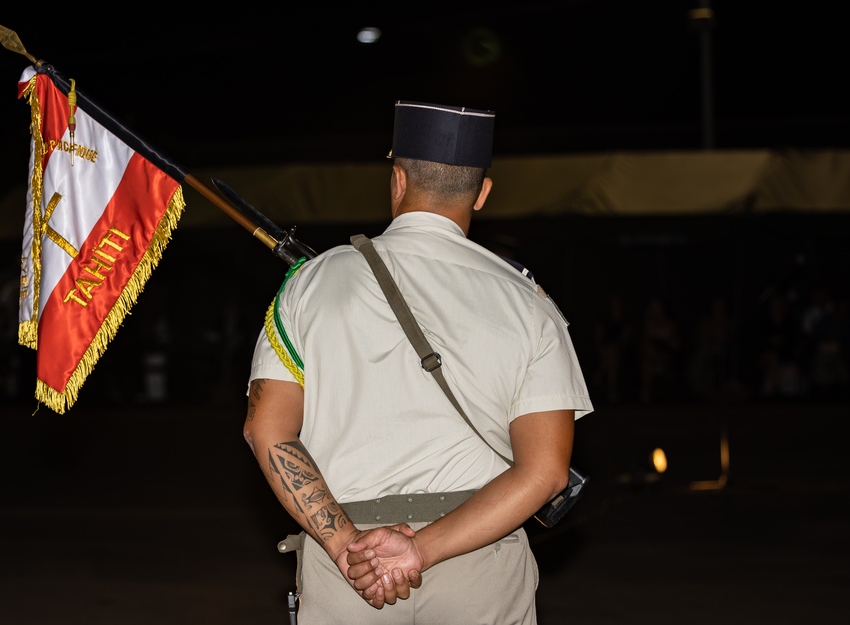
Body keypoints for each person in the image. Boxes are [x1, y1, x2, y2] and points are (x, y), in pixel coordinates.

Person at [243, 100, 594, 624]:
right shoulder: (529, 303)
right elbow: (544, 472)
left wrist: (345, 545)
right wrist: (420, 550)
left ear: (398, 180)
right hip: (481, 562)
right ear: (482, 192)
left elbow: (265, 431)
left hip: (351, 572)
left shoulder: (309, 285)